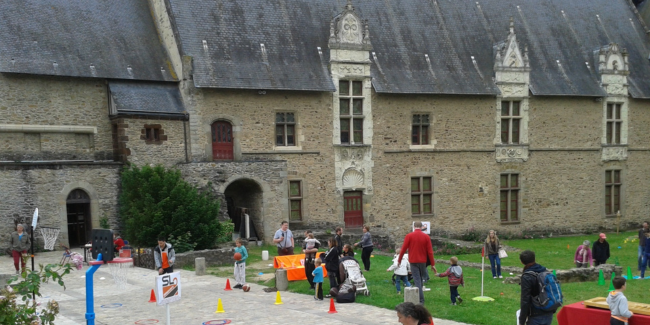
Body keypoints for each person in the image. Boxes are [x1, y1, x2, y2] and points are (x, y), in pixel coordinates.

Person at [398, 221, 436, 305]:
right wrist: (433, 264)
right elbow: (430, 252)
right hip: (423, 262)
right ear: (422, 227)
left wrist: (399, 260)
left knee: (417, 281)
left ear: (414, 226)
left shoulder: (409, 236)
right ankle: (421, 297)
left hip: (413, 261)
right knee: (420, 280)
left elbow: (403, 249)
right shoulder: (426, 237)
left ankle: (420, 300)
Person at [519, 250, 556, 325]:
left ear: (522, 262)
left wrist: (521, 320)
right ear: (534, 259)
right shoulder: (545, 270)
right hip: (548, 311)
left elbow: (525, 300)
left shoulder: (527, 276)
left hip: (536, 314)